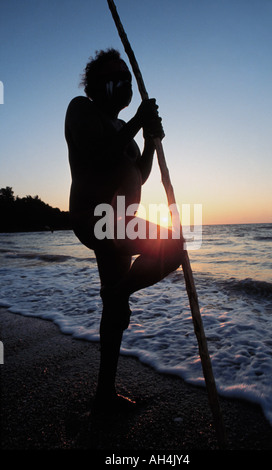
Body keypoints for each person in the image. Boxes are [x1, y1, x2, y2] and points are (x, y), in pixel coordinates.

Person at [65, 48, 183, 414]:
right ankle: (118, 294)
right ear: (97, 85)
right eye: (115, 77)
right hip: (96, 217)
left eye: (127, 79)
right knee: (173, 245)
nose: (124, 85)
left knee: (114, 314)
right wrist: (137, 121)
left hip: (120, 221)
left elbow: (139, 174)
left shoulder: (124, 131)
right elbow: (96, 156)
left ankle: (104, 395)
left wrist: (149, 140)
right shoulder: (82, 109)